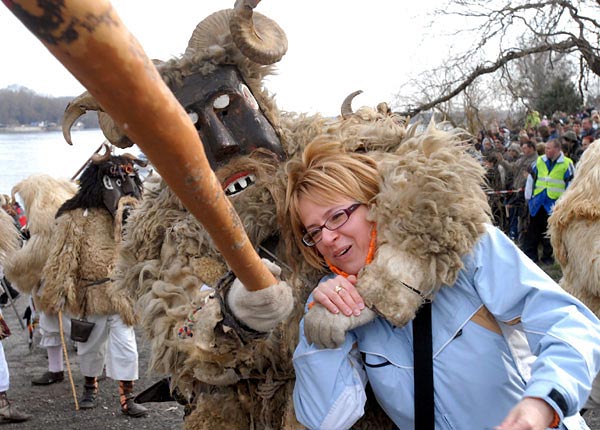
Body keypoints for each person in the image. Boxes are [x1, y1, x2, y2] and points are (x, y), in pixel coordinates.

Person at [285, 129, 600, 430]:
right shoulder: (339, 302)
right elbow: (325, 419)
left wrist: (544, 401)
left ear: (374, 204)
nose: (327, 238)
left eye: (337, 216)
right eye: (313, 232)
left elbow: (571, 325)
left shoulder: (463, 250)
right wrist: (322, 325)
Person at [40, 147, 148, 417]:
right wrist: (57, 290)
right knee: (89, 348)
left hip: (120, 294)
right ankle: (90, 386)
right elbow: (63, 257)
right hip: (90, 295)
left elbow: (142, 252)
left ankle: (127, 396)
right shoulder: (77, 217)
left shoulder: (131, 216)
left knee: (126, 346)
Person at [523, 139, 574, 264]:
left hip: (554, 204)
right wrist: (528, 197)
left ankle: (547, 257)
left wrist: (566, 203)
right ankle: (530, 256)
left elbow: (571, 184)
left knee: (550, 233)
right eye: (545, 148)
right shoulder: (540, 160)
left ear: (557, 149)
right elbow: (531, 178)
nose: (546, 150)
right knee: (533, 230)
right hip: (538, 201)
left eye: (549, 148)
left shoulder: (567, 163)